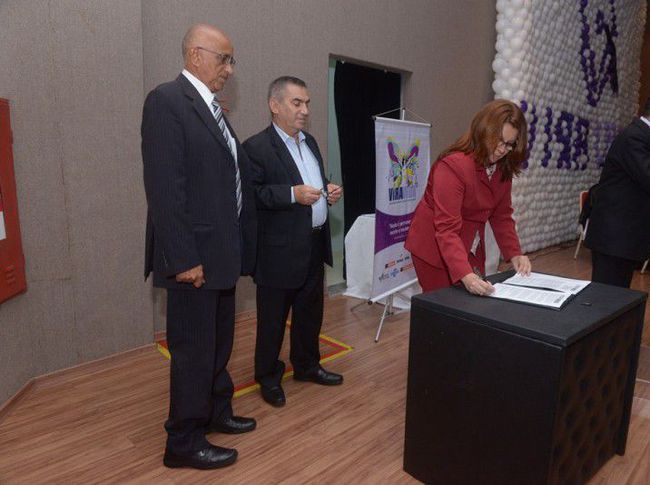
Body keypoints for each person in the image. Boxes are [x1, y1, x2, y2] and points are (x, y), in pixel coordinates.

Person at [141, 24, 257, 470]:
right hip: (194, 259)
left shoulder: (213, 110)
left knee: (218, 345)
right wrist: (184, 258)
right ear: (195, 55)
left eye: (231, 60)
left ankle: (215, 411)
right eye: (224, 59)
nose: (229, 69)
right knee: (193, 353)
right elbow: (165, 189)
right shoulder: (167, 101)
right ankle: (184, 442)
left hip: (221, 255)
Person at [243, 76, 343, 408]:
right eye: (296, 103)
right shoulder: (256, 147)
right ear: (274, 105)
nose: (304, 110)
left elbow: (312, 181)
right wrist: (291, 195)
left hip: (313, 245)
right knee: (272, 321)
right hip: (278, 253)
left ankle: (307, 365)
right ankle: (268, 377)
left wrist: (327, 190)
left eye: (307, 103)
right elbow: (252, 196)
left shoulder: (309, 142)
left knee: (310, 314)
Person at [405, 99, 531, 295]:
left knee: (472, 302)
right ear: (483, 131)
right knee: (445, 305)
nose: (502, 149)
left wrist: (515, 253)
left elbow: (502, 215)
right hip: (435, 248)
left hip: (469, 242)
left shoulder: (502, 168)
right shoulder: (453, 166)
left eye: (509, 144)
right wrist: (465, 274)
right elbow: (446, 229)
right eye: (498, 140)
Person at [585, 98, 650, 288]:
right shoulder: (634, 137)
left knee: (618, 297)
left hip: (624, 238)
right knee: (605, 298)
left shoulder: (641, 135)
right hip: (614, 239)